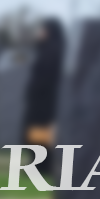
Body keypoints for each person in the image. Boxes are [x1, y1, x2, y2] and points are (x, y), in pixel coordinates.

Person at [22, 17, 65, 146]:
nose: (39, 33)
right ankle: (39, 160)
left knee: (39, 137)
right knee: (36, 137)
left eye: (42, 30)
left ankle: (41, 162)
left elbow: (44, 77)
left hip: (44, 104)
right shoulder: (46, 50)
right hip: (41, 103)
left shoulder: (52, 52)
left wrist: (34, 90)